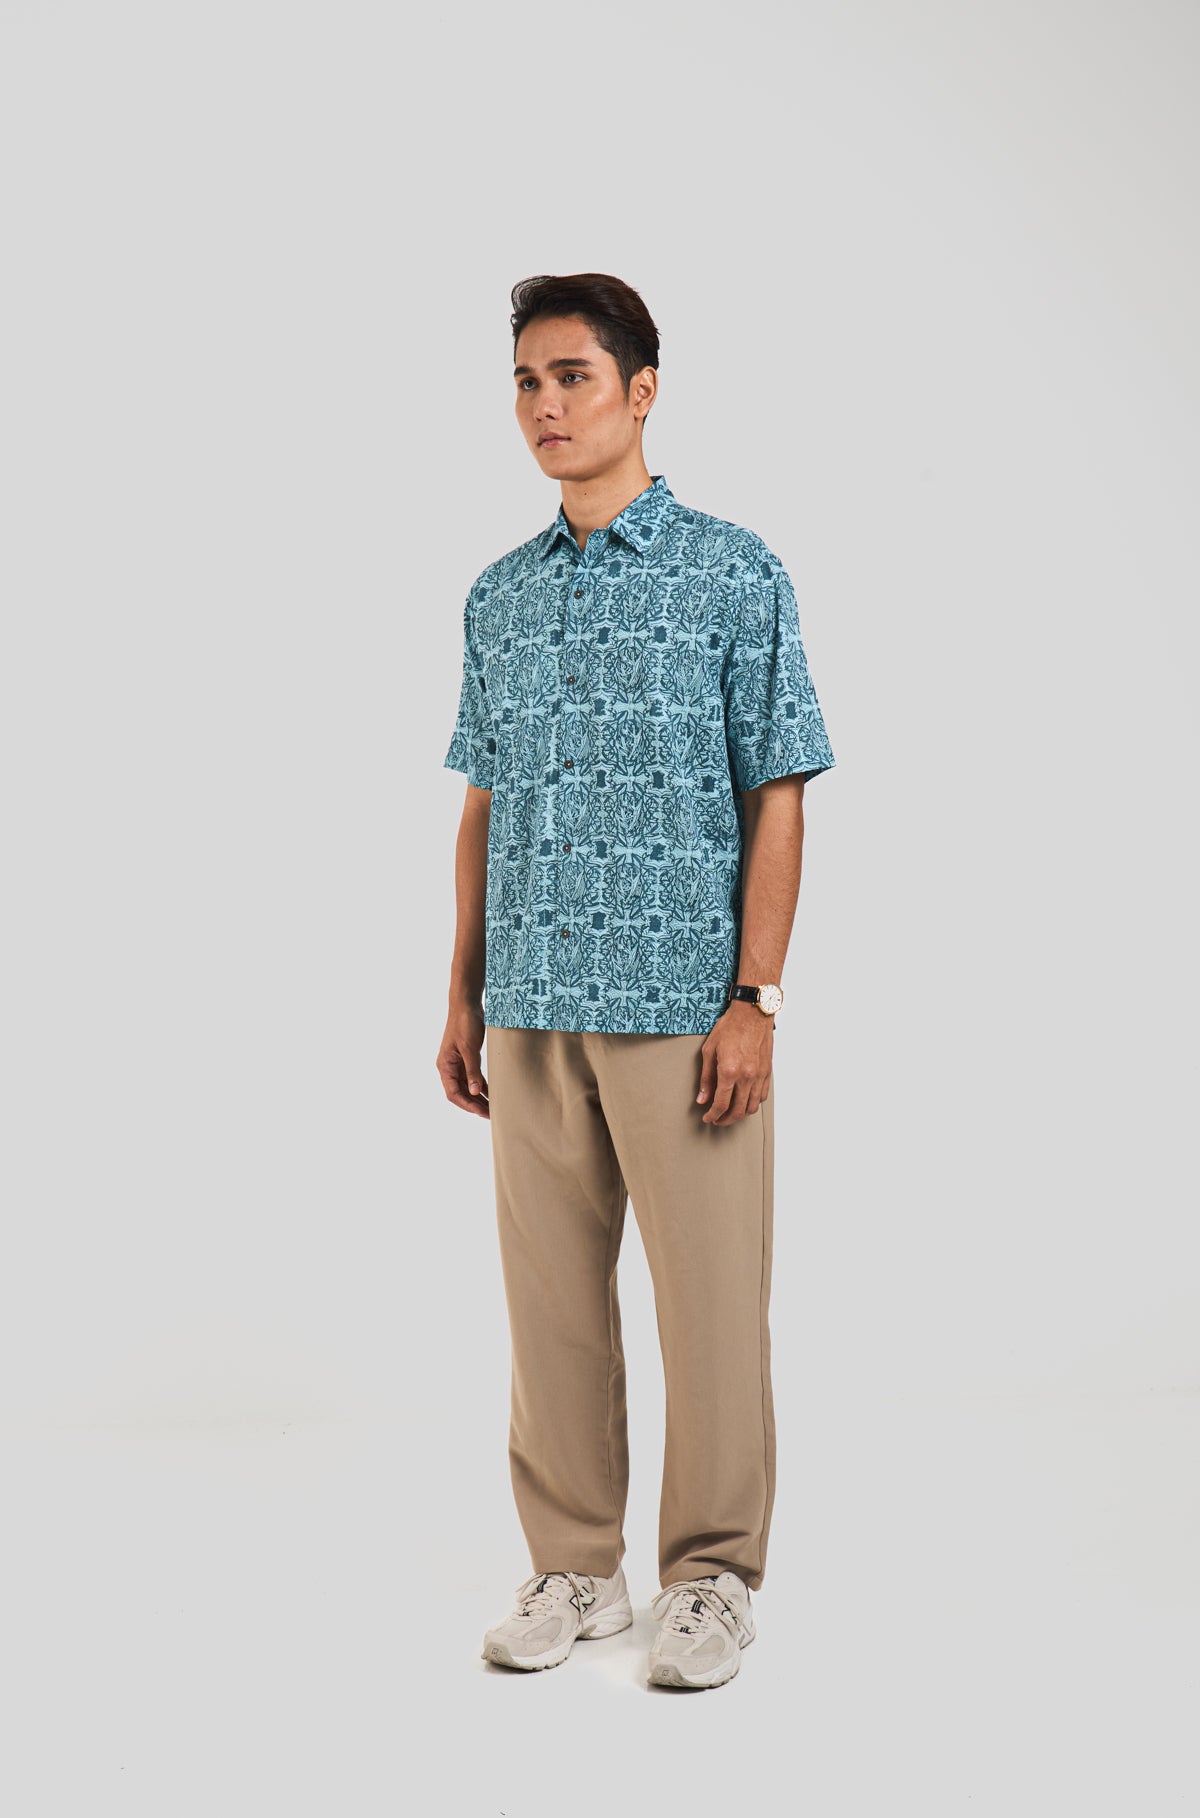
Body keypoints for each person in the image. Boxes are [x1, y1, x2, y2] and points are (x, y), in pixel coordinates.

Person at [437, 272, 835, 1690]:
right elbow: (483, 804)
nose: (545, 406)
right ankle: (576, 1566)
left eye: (573, 378)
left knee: (712, 1306)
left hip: (686, 1011)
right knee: (551, 1313)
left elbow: (779, 789)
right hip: (534, 1003)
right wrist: (463, 993)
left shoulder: (734, 571)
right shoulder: (500, 595)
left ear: (640, 390)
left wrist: (757, 996)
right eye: (526, 382)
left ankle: (713, 1577)